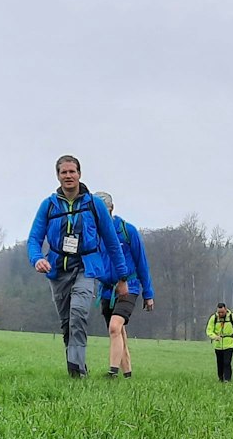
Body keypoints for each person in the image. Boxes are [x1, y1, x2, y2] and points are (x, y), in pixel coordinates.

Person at [24, 155, 128, 378]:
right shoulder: (49, 205)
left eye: (72, 171)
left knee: (78, 315)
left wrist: (122, 277)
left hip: (86, 268)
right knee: (67, 323)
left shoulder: (94, 204)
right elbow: (33, 239)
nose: (68, 176)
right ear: (58, 176)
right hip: (57, 270)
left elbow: (111, 242)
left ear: (79, 174)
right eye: (64, 172)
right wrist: (37, 259)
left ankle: (77, 371)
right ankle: (76, 363)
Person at [95, 192, 153, 379]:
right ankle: (128, 375)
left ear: (111, 208)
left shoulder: (128, 231)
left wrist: (148, 293)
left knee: (114, 327)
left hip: (130, 286)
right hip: (106, 290)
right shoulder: (94, 235)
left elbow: (141, 262)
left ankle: (112, 372)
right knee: (119, 334)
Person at [206, 302, 233, 381]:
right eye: (219, 312)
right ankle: (220, 379)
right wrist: (214, 337)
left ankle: (227, 379)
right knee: (219, 363)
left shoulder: (232, 317)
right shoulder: (213, 318)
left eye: (222, 312)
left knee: (227, 362)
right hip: (218, 345)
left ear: (226, 309)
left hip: (229, 344)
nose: (220, 314)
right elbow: (209, 330)